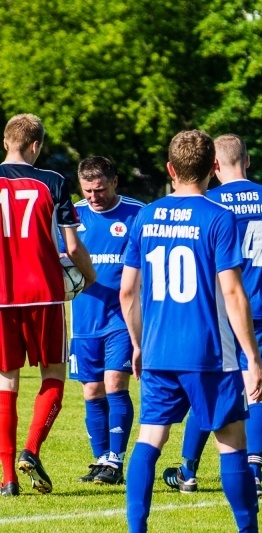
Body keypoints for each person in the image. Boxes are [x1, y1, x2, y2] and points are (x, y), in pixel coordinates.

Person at [120, 130, 262, 532]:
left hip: (157, 351)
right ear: (213, 168)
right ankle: (247, 529)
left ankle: (136, 529)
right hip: (208, 353)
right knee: (231, 441)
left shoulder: (146, 216)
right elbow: (233, 291)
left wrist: (137, 344)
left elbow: (127, 290)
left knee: (150, 439)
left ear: (170, 169)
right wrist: (252, 359)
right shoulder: (218, 217)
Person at [163, 134, 262, 497]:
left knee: (206, 388)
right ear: (247, 161)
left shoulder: (209, 200)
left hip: (217, 310)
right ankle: (254, 471)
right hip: (261, 308)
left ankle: (187, 469)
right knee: (258, 392)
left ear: (214, 166)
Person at [0, 114, 96, 496]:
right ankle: (32, 449)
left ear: (6, 141)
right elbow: (72, 247)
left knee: (7, 382)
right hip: (44, 293)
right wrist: (89, 277)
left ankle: (8, 478)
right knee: (53, 374)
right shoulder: (53, 182)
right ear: (36, 145)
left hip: (1, 296)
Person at [63, 157, 143, 486]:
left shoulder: (139, 213)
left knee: (114, 384)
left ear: (115, 182)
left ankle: (116, 459)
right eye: (87, 190)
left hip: (122, 319)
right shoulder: (71, 217)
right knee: (92, 390)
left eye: (100, 189)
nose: (94, 196)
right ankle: (100, 458)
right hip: (84, 320)